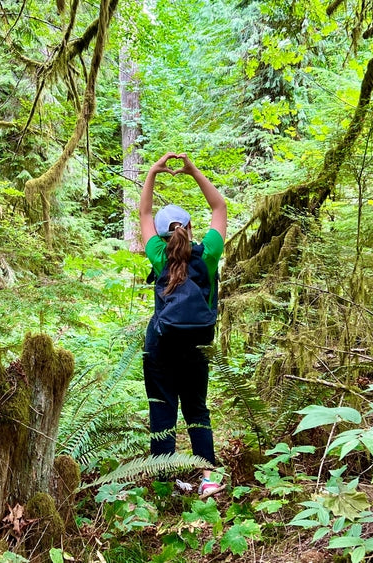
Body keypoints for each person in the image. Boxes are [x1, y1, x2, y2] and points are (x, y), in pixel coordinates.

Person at [138, 152, 228, 498]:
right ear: (190, 228)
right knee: (196, 408)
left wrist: (152, 172)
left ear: (161, 235)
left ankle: (163, 482)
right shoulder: (208, 253)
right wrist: (193, 171)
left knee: (162, 408)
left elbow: (144, 213)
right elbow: (219, 208)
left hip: (160, 345)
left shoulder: (158, 255)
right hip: (197, 346)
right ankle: (208, 477)